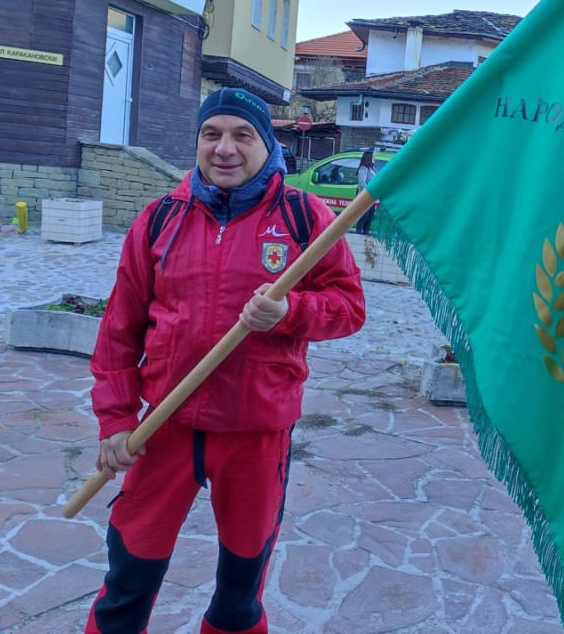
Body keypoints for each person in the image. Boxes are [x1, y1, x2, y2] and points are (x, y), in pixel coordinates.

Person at [84, 87, 365, 634]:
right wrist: (116, 420)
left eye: (243, 135)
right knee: (127, 582)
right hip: (163, 429)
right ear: (197, 142)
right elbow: (119, 328)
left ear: (267, 144)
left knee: (239, 597)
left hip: (255, 435)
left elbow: (349, 307)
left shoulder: (305, 217)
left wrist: (290, 310)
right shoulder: (161, 218)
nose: (225, 148)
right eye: (212, 134)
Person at [354, 148, 379, 235]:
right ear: (369, 157)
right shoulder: (363, 168)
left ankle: (366, 232)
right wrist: (368, 193)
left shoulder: (372, 168)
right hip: (366, 196)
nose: (374, 158)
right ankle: (359, 232)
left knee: (370, 217)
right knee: (364, 216)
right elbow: (362, 183)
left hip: (372, 197)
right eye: (373, 156)